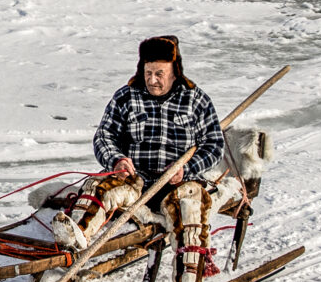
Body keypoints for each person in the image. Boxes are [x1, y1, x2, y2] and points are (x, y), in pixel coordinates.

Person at [92, 35, 224, 197]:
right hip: (132, 181)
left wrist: (186, 168)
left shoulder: (196, 100)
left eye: (159, 74)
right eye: (148, 72)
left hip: (181, 184)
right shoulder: (126, 97)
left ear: (175, 72)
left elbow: (214, 145)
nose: (152, 80)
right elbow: (104, 136)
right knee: (93, 199)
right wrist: (116, 160)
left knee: (190, 213)